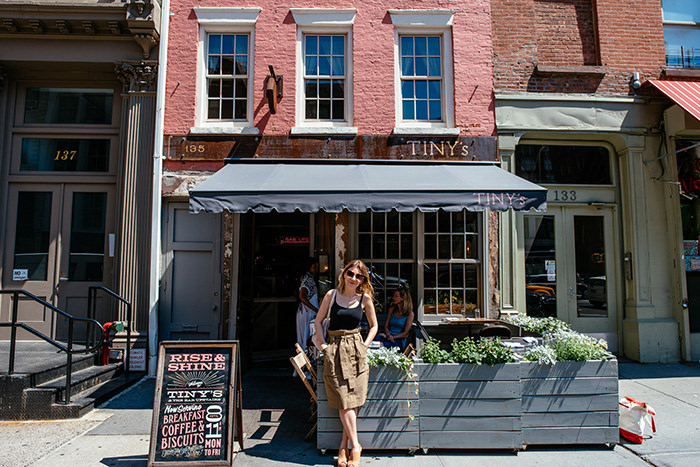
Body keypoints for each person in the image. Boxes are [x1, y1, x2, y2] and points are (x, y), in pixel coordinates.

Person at [313, 260, 378, 467]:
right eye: (351, 274)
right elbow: (317, 321)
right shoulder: (331, 295)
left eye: (359, 276)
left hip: (356, 349)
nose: (354, 279)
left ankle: (344, 445)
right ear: (344, 274)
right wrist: (324, 348)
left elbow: (374, 326)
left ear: (363, 280)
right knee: (343, 399)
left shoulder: (364, 299)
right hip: (335, 349)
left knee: (353, 399)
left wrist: (365, 346)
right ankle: (356, 446)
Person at [296, 258, 319, 351]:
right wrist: (316, 309)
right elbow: (302, 297)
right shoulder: (307, 279)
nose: (316, 270)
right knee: (306, 337)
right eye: (314, 267)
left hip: (308, 312)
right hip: (307, 313)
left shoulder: (310, 278)